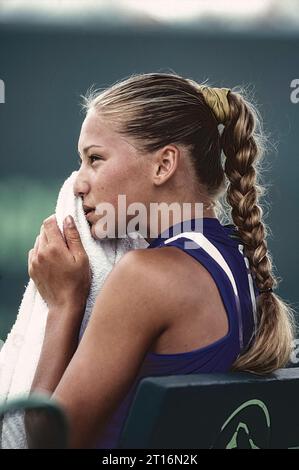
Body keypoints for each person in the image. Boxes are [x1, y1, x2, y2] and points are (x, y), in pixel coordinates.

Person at [27, 72, 295, 449]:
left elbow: (47, 440)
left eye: (95, 159)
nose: (78, 183)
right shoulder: (238, 260)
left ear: (163, 164)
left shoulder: (147, 276)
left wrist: (62, 303)